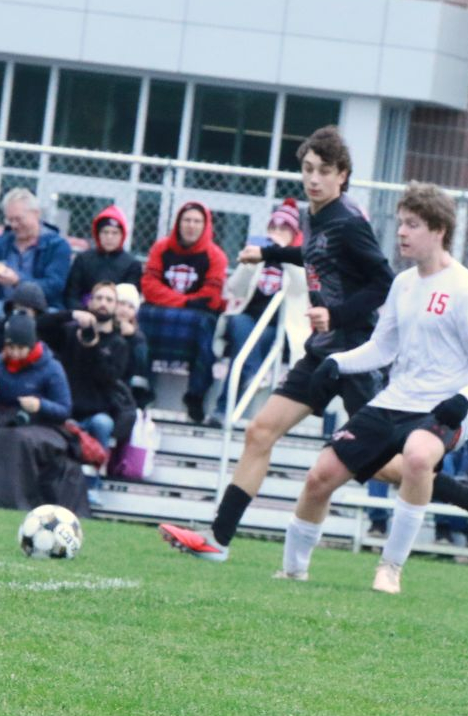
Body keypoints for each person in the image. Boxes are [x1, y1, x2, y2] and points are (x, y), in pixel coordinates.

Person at [158, 127, 394, 561]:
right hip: (321, 351)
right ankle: (218, 540)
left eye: (324, 171)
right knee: (259, 431)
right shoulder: (313, 215)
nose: (313, 179)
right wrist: (267, 254)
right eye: (308, 169)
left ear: (343, 175)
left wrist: (337, 315)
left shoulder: (350, 222)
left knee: (382, 462)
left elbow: (384, 281)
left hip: (355, 354)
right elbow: (315, 254)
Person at [271, 181, 468, 593]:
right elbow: (383, 347)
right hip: (395, 399)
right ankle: (292, 571)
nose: (401, 232)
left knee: (417, 456)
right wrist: (336, 362)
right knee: (320, 476)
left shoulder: (467, 290)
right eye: (400, 223)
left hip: (443, 407)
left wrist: (463, 400)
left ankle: (390, 569)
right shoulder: (403, 284)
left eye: (412, 224)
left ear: (438, 230)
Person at [0, 314, 89, 517]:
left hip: (45, 426)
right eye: (11, 347)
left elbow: (64, 409)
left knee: (19, 440)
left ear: (32, 345)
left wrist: (40, 405)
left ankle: (16, 500)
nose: (15, 353)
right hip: (4, 420)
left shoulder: (52, 368)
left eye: (21, 348)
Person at [210, 197, 309, 426]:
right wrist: (249, 264)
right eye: (273, 227)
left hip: (280, 327)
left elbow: (302, 286)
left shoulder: (299, 257)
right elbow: (235, 289)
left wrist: (281, 253)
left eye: (283, 229)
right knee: (239, 325)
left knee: (246, 348)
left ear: (293, 233)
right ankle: (253, 374)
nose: (276, 232)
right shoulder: (259, 256)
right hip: (250, 320)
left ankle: (223, 410)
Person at [137, 200, 228, 423]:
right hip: (173, 311)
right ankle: (141, 386)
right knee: (140, 319)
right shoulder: (160, 248)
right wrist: (186, 302)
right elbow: (149, 286)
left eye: (197, 221)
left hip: (195, 318)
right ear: (178, 223)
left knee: (205, 327)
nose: (191, 225)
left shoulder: (216, 256)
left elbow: (212, 296)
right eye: (187, 220)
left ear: (205, 225)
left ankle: (195, 395)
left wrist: (176, 301)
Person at [37, 280, 136, 458]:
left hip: (95, 414)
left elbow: (108, 377)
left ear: (115, 306)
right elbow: (40, 325)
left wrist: (93, 347)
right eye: (98, 298)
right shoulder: (70, 333)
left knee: (103, 424)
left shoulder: (119, 344)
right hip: (64, 410)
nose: (103, 303)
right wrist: (72, 314)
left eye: (109, 300)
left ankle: (96, 471)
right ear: (90, 302)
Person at [0, 187, 72, 346]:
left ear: (36, 214)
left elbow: (54, 286)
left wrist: (17, 281)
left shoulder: (57, 246)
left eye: (18, 219)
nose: (14, 225)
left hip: (43, 308)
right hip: (4, 305)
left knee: (54, 316)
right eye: (9, 220)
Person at [65, 205, 142, 310]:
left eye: (115, 233)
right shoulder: (83, 259)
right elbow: (72, 294)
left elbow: (128, 301)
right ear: (98, 234)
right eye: (105, 232)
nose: (109, 237)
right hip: (83, 311)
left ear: (122, 235)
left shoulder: (132, 265)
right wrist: (81, 311)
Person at [0, 280, 47, 358]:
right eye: (17, 309)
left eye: (25, 311)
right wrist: (2, 329)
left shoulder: (45, 330)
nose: (21, 314)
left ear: (36, 312)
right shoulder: (3, 326)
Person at [113, 282, 152, 409]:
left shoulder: (138, 338)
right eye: (121, 303)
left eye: (130, 307)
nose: (125, 310)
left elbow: (140, 368)